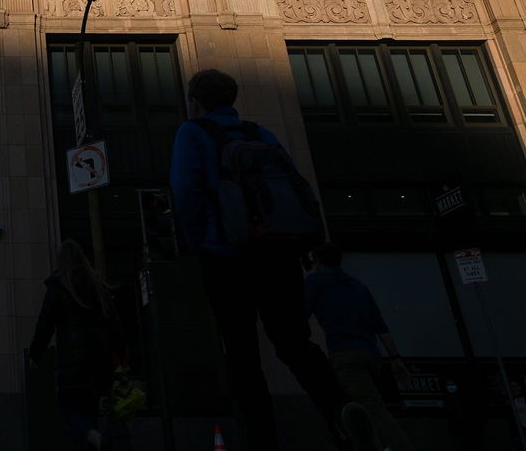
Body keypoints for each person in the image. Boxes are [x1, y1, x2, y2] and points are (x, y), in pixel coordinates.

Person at [170, 69, 349, 451]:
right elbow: (295, 187)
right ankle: (345, 418)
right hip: (280, 256)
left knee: (241, 355)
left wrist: (199, 241)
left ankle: (262, 441)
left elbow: (186, 189)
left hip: (228, 258)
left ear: (195, 101)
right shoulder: (260, 134)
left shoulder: (192, 132)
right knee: (296, 345)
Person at [305, 243, 415, 451]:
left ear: (318, 261)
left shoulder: (316, 281)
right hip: (371, 354)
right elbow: (381, 327)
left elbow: (301, 312)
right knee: (361, 406)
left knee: (370, 409)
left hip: (345, 354)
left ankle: (398, 446)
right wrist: (396, 358)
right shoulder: (358, 286)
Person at [29, 239, 126, 450]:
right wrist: (122, 357)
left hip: (73, 367)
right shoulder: (97, 287)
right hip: (99, 365)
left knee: (70, 413)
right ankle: (96, 438)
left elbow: (44, 326)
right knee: (89, 412)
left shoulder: (58, 289)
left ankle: (96, 438)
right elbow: (115, 325)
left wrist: (35, 355)